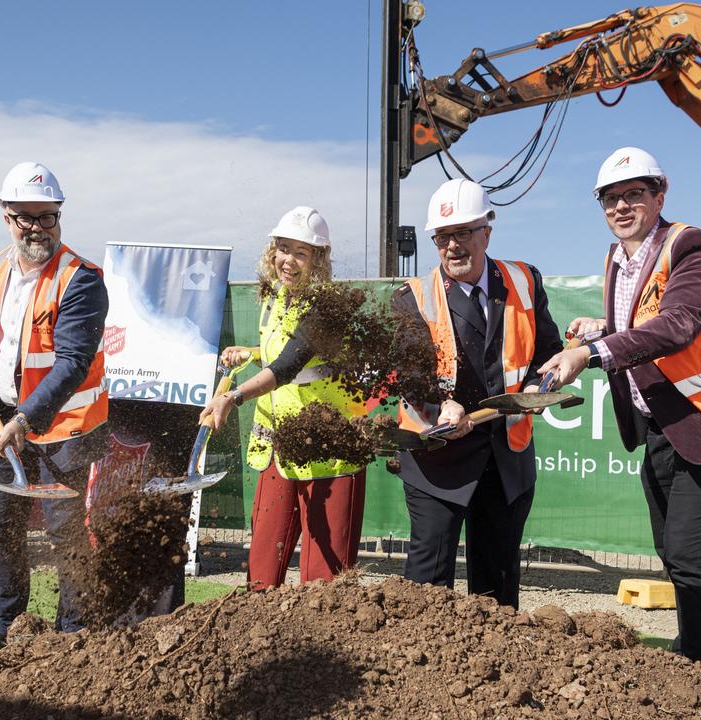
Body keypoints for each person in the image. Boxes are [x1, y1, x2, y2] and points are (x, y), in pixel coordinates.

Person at [539, 147, 701, 663]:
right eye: (610, 199)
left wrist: (591, 352)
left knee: (690, 555)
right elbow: (645, 324)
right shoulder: (617, 259)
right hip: (662, 423)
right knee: (673, 552)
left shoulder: (694, 246)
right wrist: (603, 328)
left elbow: (678, 325)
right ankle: (694, 651)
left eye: (634, 194)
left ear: (659, 194)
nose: (621, 207)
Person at [0, 161, 110, 648]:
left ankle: (74, 633)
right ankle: (7, 625)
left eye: (49, 216)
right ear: (6, 216)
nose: (39, 227)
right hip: (0, 418)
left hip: (66, 428)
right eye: (28, 217)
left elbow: (73, 362)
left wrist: (24, 419)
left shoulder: (81, 279)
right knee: (2, 525)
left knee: (67, 534)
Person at [391, 179, 563, 609]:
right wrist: (439, 404)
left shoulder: (524, 280)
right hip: (438, 461)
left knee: (498, 588)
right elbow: (410, 374)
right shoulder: (410, 297)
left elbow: (547, 351)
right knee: (426, 589)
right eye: (442, 237)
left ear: (487, 230)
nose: (452, 246)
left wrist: (542, 387)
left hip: (506, 459)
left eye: (463, 233)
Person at [198, 207, 368, 590]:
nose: (288, 261)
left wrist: (234, 397)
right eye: (283, 249)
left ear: (319, 260)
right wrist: (253, 353)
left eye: (301, 253)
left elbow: (291, 364)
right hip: (279, 447)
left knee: (323, 581)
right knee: (262, 566)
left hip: (329, 452)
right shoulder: (275, 296)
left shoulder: (327, 308)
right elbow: (284, 353)